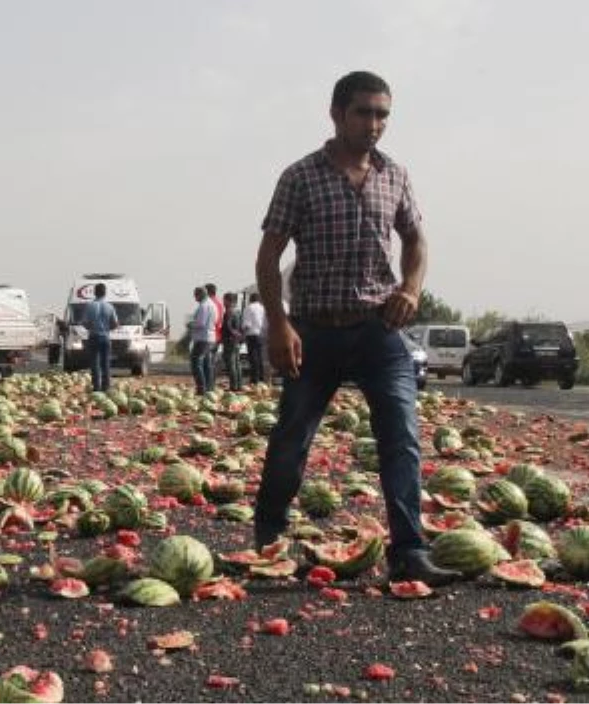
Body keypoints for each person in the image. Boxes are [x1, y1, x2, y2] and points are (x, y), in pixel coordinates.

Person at [253, 71, 457, 586]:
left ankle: (409, 550)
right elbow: (268, 256)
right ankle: (269, 539)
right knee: (291, 439)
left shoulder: (395, 175)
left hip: (376, 330)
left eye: (382, 114)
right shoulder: (300, 176)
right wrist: (279, 325)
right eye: (364, 112)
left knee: (402, 438)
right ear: (337, 114)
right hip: (314, 331)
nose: (374, 124)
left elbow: (416, 240)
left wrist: (410, 288)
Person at [82, 283, 119, 392]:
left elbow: (84, 323)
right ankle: (106, 387)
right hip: (105, 337)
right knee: (105, 363)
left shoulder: (90, 306)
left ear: (95, 293)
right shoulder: (110, 306)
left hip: (93, 336)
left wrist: (91, 326)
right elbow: (115, 324)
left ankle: (96, 387)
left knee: (95, 363)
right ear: (105, 293)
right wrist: (107, 328)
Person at [188, 287, 217, 395]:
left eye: (196, 295)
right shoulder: (212, 305)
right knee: (206, 364)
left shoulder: (204, 306)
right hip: (210, 338)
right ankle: (209, 388)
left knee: (196, 363)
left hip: (202, 339)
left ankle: (201, 388)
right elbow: (216, 319)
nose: (195, 297)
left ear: (200, 294)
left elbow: (200, 323)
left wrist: (191, 324)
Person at [242, 292, 268, 384]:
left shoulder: (248, 308)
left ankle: (254, 379)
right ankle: (261, 379)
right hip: (262, 334)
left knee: (253, 358)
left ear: (250, 299)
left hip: (251, 334)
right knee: (260, 357)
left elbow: (247, 324)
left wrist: (242, 334)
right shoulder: (263, 308)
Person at [221, 292, 244, 390]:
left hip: (229, 340)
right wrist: (240, 335)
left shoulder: (229, 312)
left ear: (228, 300)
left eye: (224, 300)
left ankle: (233, 386)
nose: (223, 302)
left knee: (231, 364)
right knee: (237, 363)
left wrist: (232, 334)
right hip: (236, 341)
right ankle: (239, 385)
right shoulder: (238, 312)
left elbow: (228, 326)